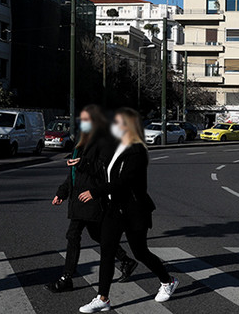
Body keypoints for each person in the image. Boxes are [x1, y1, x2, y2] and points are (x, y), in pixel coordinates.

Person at [77, 108, 178, 313]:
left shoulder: (137, 151)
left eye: (118, 123)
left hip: (134, 210)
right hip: (114, 209)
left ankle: (168, 281)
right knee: (107, 251)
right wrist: (82, 164)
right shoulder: (115, 148)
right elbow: (104, 172)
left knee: (140, 252)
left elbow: (124, 182)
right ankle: (103, 298)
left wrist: (95, 192)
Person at [46, 106, 138, 293]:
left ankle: (67, 278)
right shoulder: (81, 142)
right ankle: (126, 260)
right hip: (79, 197)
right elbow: (73, 174)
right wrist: (62, 193)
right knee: (97, 235)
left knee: (73, 235)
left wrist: (83, 163)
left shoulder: (104, 142)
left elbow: (104, 169)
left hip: (91, 196)